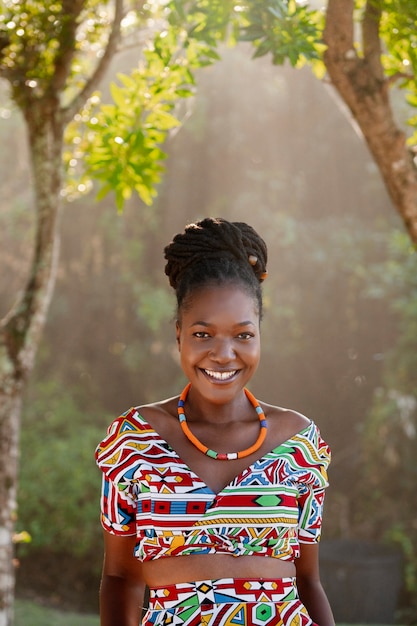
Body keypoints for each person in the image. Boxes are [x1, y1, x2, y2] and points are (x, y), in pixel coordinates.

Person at [96, 217, 335, 626]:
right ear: (179, 335)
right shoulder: (135, 440)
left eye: (242, 335)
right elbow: (120, 577)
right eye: (203, 334)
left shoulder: (300, 444)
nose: (224, 354)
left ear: (260, 335)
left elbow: (308, 580)